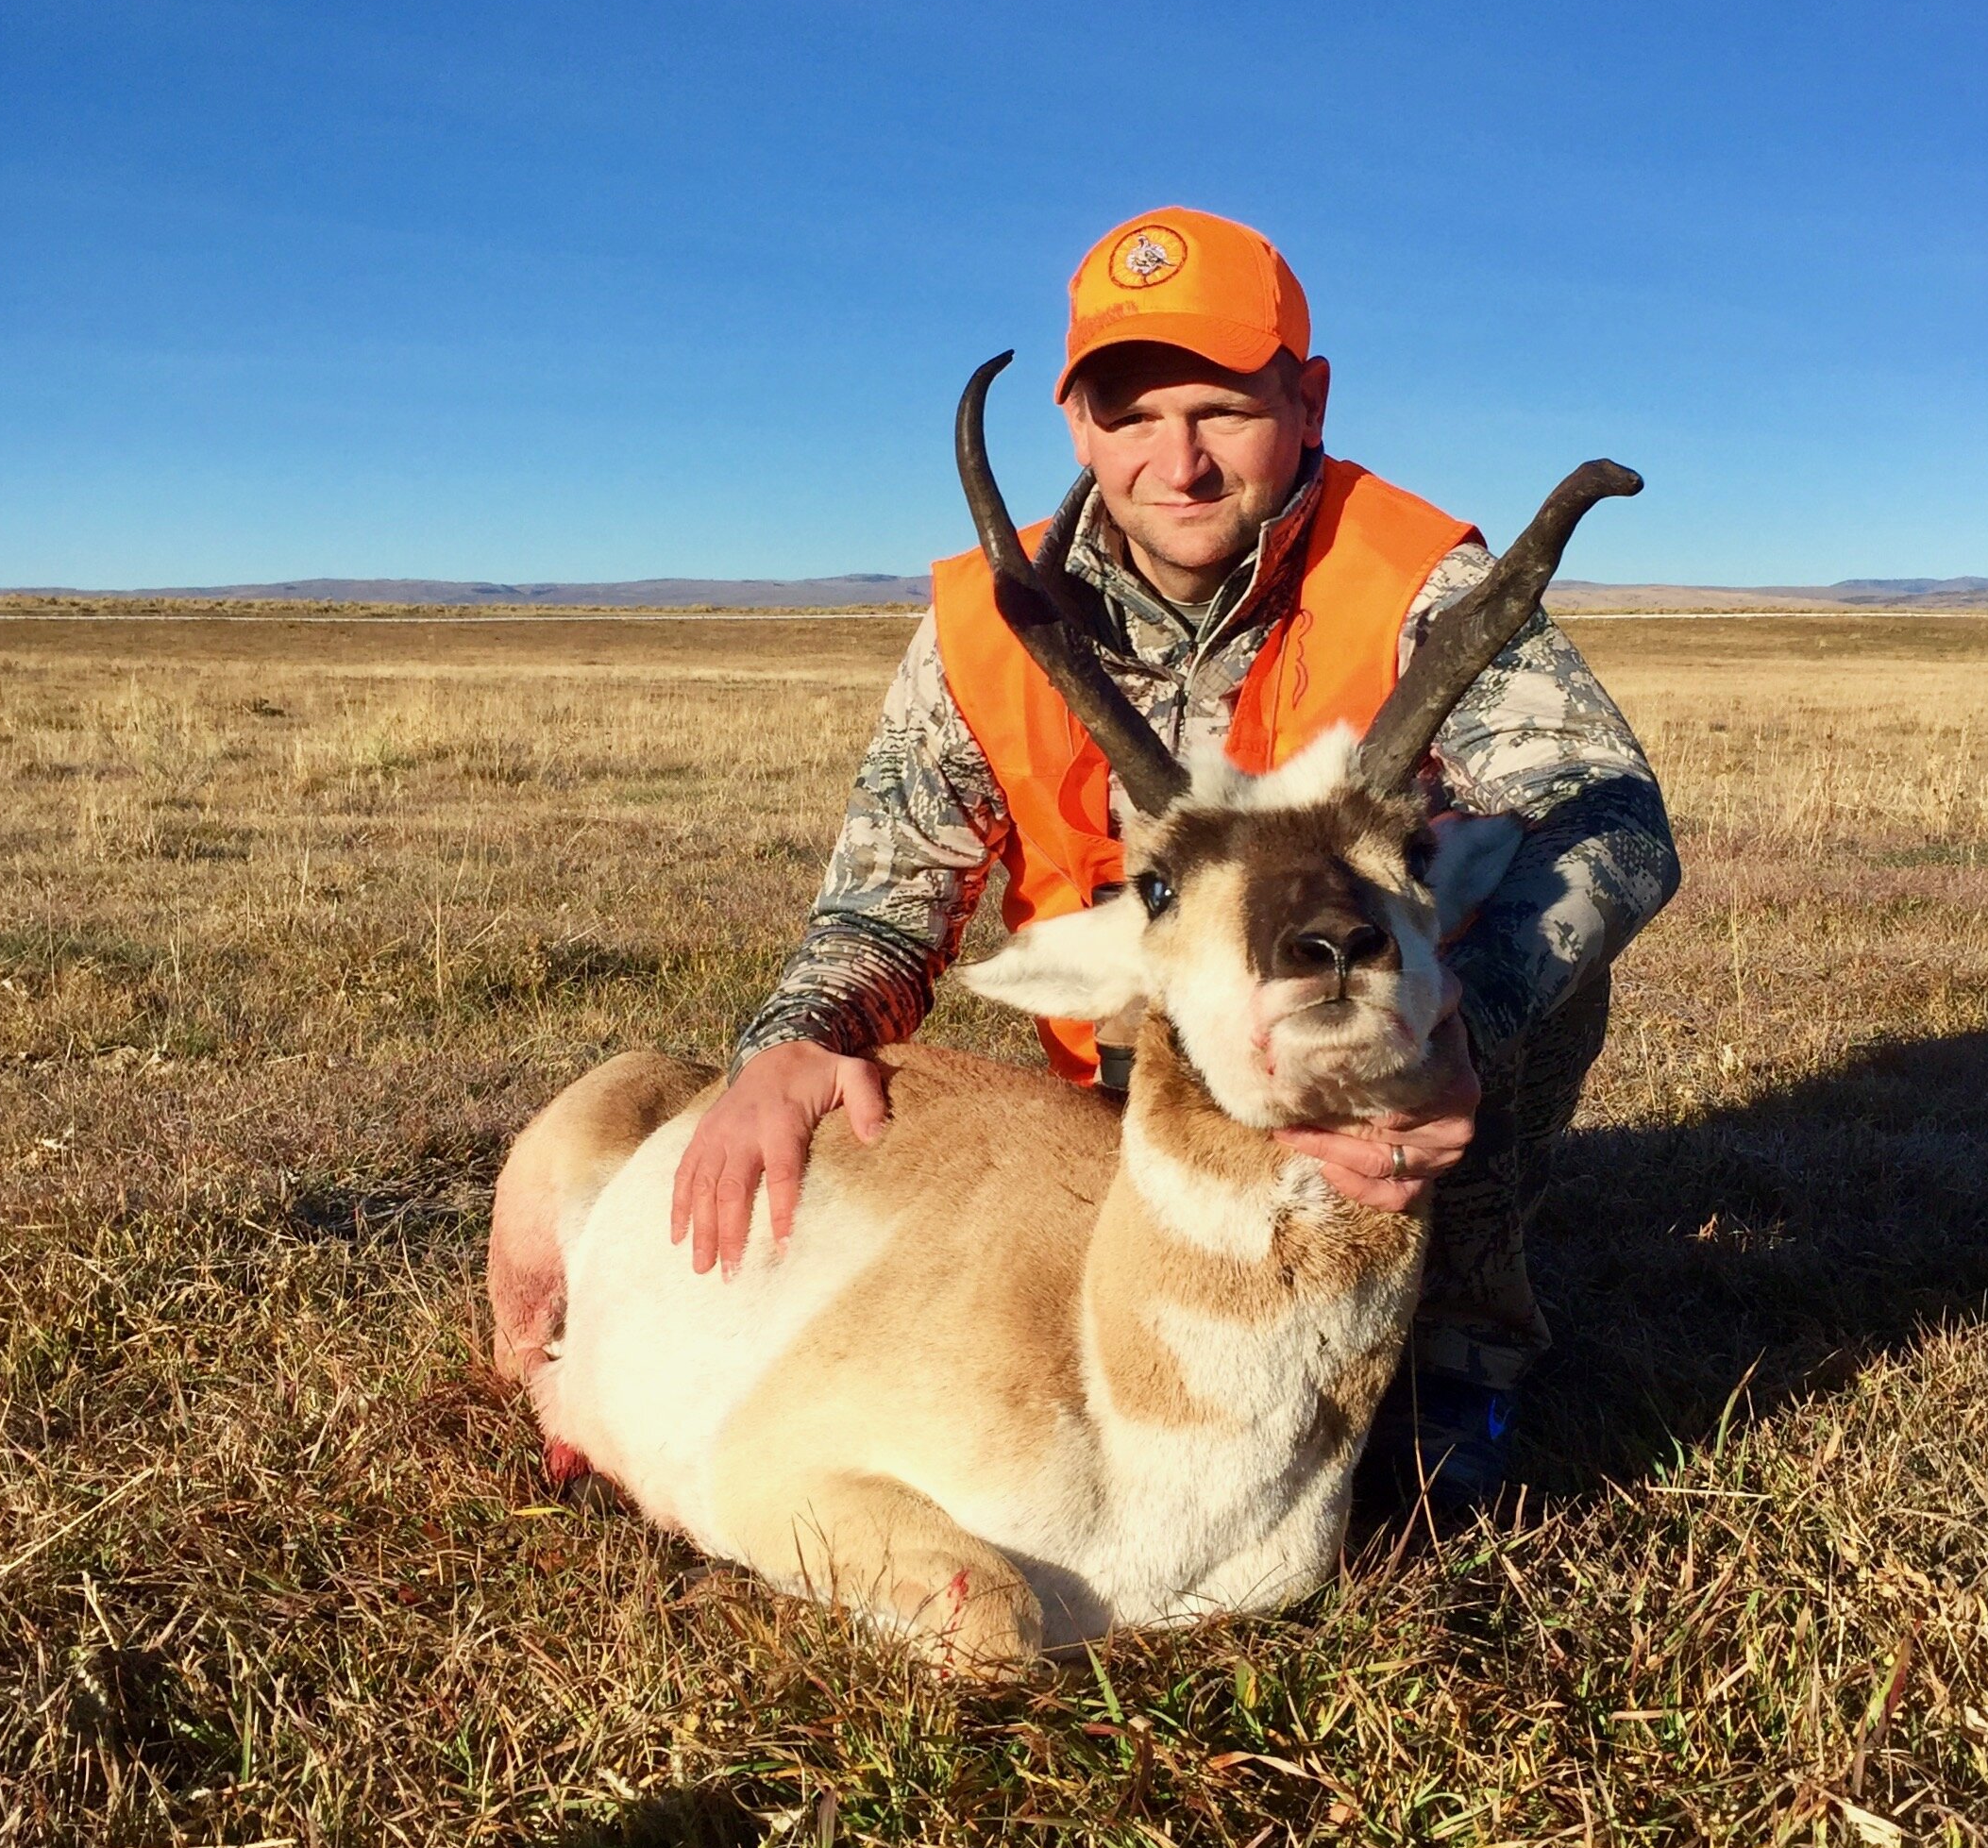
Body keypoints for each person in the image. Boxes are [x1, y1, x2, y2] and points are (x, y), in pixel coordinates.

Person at [675, 209, 1681, 1503]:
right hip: (1133, 1099)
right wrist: (791, 1043)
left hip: (1375, 1056)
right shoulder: (996, 622)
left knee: (1536, 926)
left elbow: (1611, 822)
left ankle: (1457, 1353)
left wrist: (1453, 1038)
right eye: (1132, 416)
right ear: (1078, 428)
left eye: (1218, 408)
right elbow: (886, 904)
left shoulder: (1414, 584)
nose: (1179, 461)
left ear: (1305, 399)